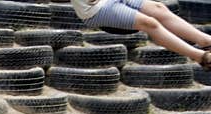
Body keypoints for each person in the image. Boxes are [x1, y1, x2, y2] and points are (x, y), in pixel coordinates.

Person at [72, 0, 211, 69]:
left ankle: (206, 41)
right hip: (93, 8)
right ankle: (201, 57)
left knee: (160, 8)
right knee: (149, 23)